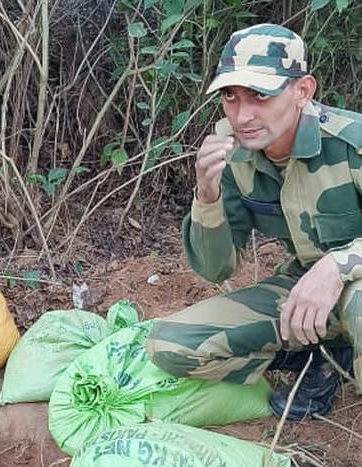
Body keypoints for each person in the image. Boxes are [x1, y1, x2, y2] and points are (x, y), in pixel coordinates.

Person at [145, 23, 362, 420]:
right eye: (230, 96)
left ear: (302, 91)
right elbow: (216, 269)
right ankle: (325, 358)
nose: (243, 115)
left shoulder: (352, 141)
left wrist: (337, 266)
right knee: (169, 346)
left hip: (353, 287)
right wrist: (207, 196)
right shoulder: (234, 154)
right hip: (304, 291)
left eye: (260, 95)